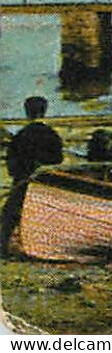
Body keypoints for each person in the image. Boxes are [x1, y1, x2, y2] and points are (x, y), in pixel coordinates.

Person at [2, 96, 64, 255]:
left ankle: (3, 248)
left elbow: (12, 166)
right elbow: (58, 161)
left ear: (26, 113)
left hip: (23, 185)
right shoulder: (53, 135)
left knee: (8, 215)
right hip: (46, 186)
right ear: (45, 112)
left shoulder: (20, 136)